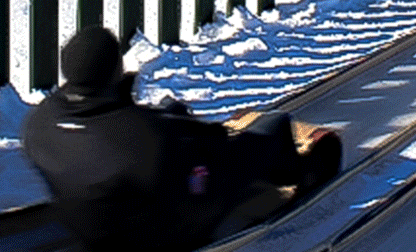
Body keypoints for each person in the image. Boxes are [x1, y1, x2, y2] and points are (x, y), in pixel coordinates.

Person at [21, 26, 339, 252]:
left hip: (96, 218)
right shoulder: (139, 137)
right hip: (166, 231)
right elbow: (182, 154)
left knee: (171, 111)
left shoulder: (39, 124)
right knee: (266, 133)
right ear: (113, 70)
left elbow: (114, 134)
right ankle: (306, 168)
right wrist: (206, 140)